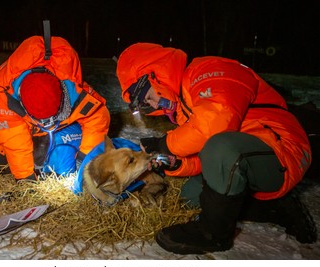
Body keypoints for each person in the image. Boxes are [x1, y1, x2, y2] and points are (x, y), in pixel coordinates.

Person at [116, 42, 317, 254]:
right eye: (147, 105)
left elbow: (214, 128)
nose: (155, 106)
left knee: (220, 146)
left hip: (283, 150)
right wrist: (176, 163)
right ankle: (275, 208)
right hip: (247, 156)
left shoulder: (209, 71)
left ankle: (213, 234)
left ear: (157, 75)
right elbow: (205, 156)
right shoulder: (184, 106)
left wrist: (164, 143)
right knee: (191, 196)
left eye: (149, 97)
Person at [0, 35, 110, 181]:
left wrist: (86, 156)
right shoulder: (4, 95)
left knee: (49, 155)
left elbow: (97, 116)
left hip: (27, 121)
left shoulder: (72, 85)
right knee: (1, 168)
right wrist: (26, 179)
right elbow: (15, 141)